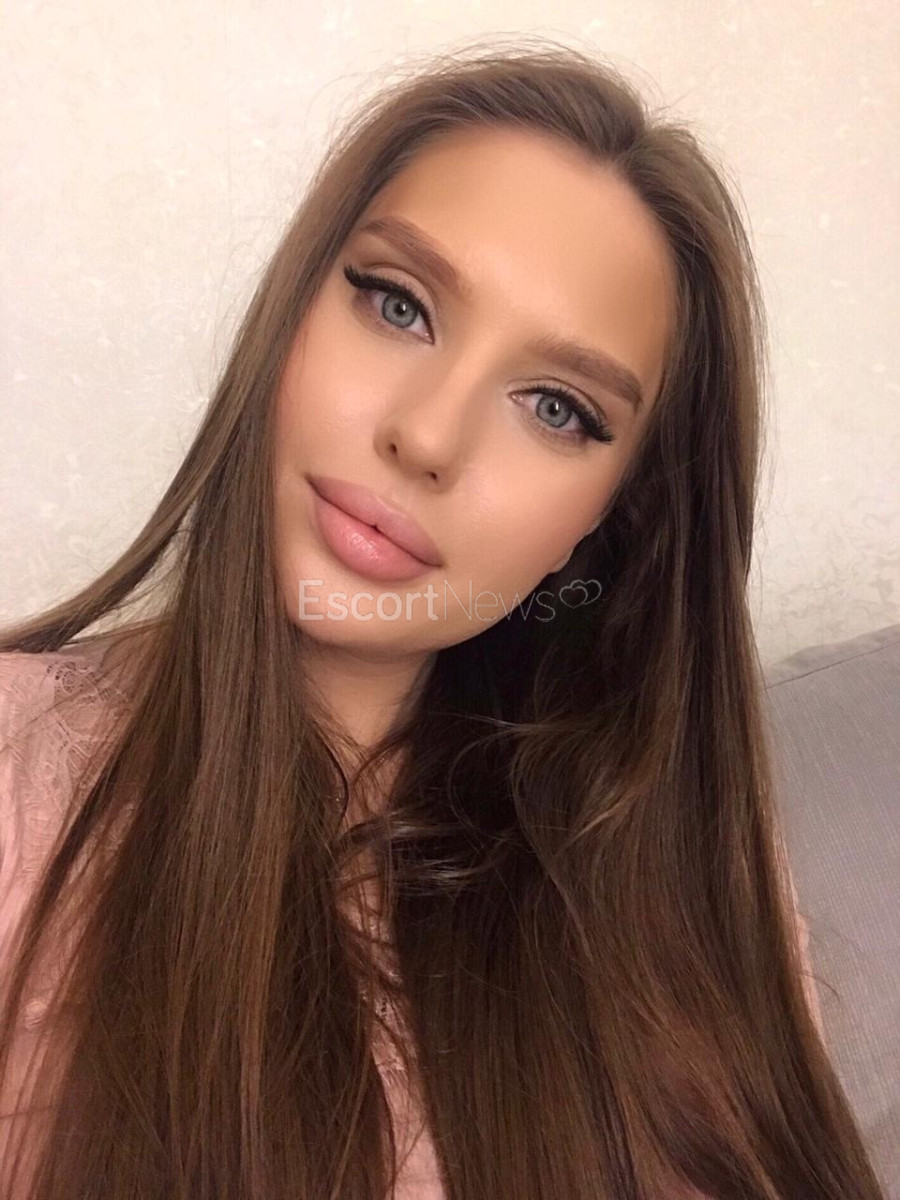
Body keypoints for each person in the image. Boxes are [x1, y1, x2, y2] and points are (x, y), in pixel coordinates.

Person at [0, 38, 885, 1200]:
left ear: (604, 522)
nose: (425, 436)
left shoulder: (670, 862)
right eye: (398, 304)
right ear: (290, 309)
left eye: (556, 408)